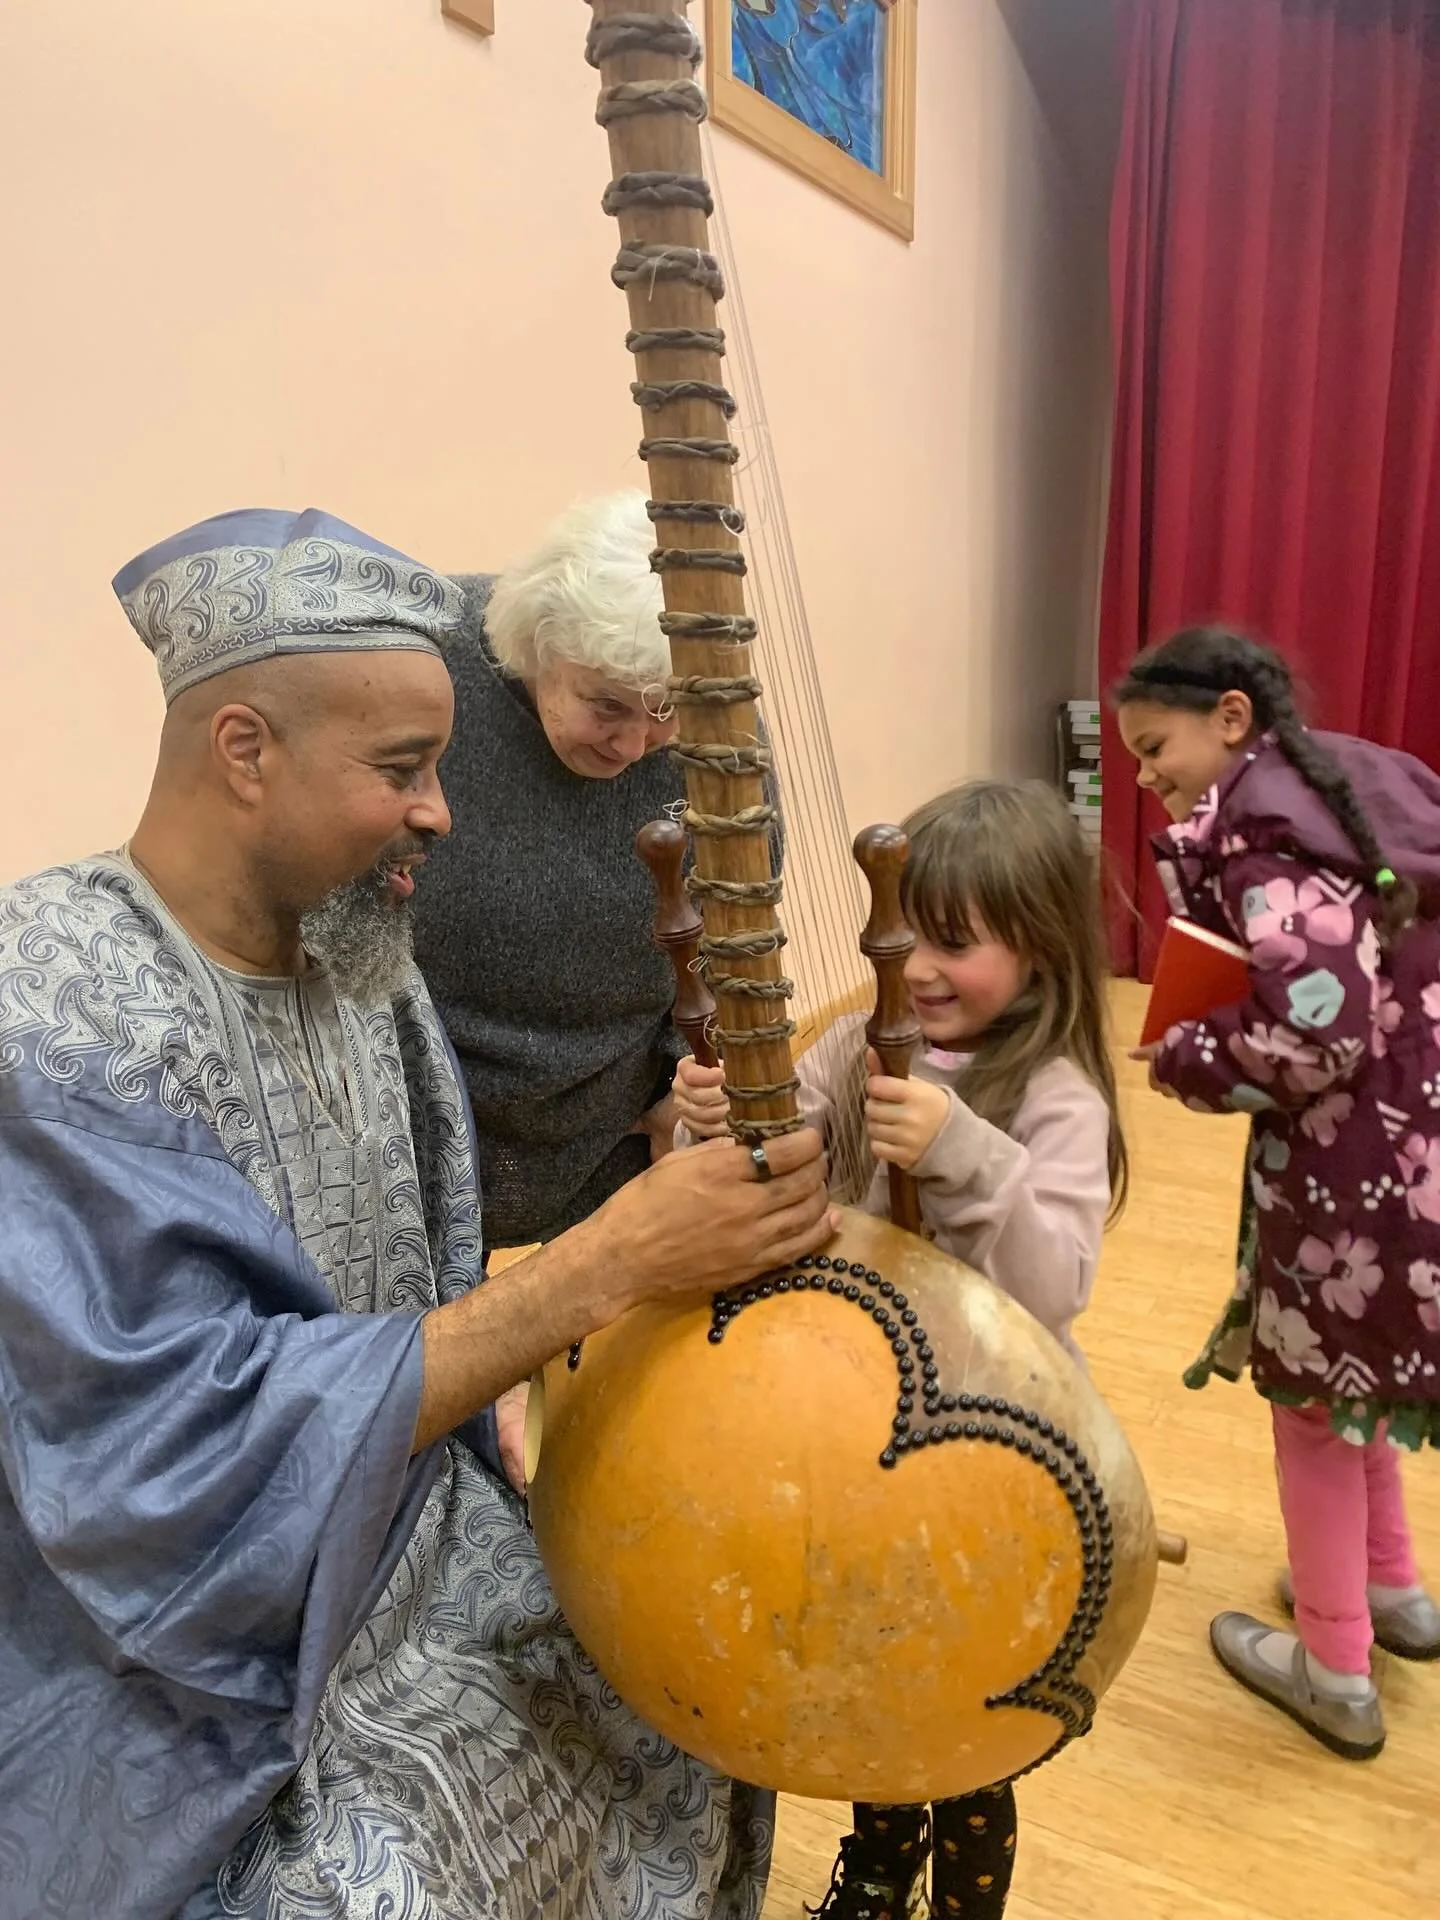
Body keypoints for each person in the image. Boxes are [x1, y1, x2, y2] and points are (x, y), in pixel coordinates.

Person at [0, 506, 835, 1920]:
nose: (446, 811)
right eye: (406, 768)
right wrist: (608, 1259)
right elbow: (171, 1457)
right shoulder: (62, 1009)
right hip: (174, 1633)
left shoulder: (358, 955)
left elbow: (423, 1296)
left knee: (693, 1680)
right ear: (244, 750)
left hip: (414, 1522)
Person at [673, 777, 1128, 1920]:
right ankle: (875, 1875)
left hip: (993, 1462)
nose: (918, 964)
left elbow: (1049, 1287)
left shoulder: (1058, 1096)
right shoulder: (859, 1046)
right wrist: (710, 1121)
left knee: (968, 1726)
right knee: (883, 1682)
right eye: (907, 929)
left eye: (957, 941)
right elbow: (787, 1178)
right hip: (863, 1437)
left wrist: (967, 1152)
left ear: (1041, 954)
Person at [1115, 625, 1440, 1761]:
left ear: (1234, 719)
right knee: (1360, 1383)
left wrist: (1189, 1057)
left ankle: (1335, 1662)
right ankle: (1392, 1592)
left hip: (1351, 1182)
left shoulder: (1268, 838)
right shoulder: (1354, 796)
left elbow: (1318, 1029)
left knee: (1309, 1404)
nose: (1150, 782)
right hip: (1420, 1167)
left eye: (1158, 752)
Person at [414, 490, 776, 1257]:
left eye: (664, 711)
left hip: (617, 1121)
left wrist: (687, 1089)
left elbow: (730, 934)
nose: (635, 743)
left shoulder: (714, 728)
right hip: (422, 1112)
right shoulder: (428, 664)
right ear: (536, 643)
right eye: (606, 705)